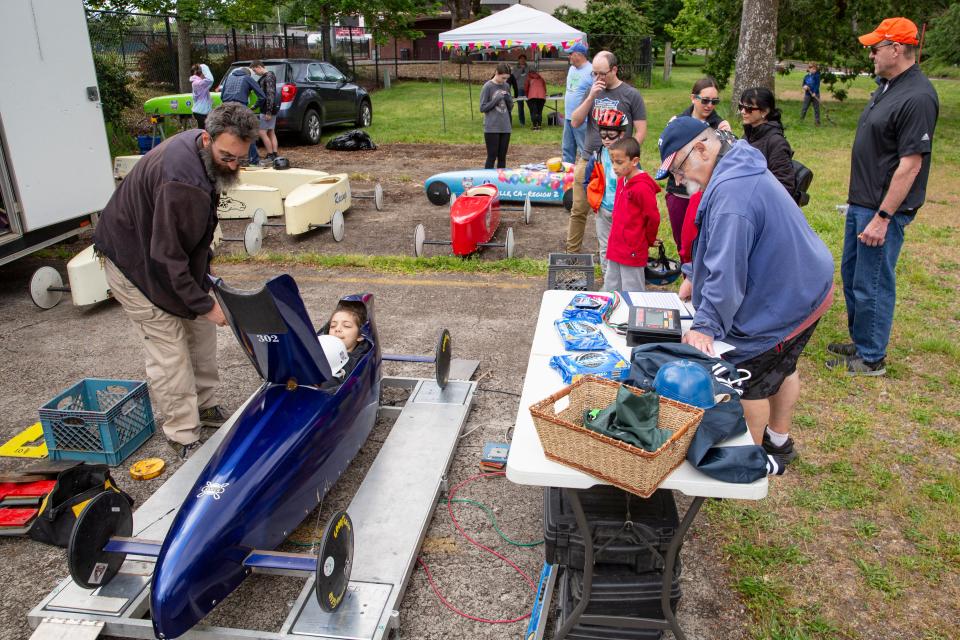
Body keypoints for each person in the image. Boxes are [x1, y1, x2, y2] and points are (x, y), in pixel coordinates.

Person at [656, 116, 834, 466]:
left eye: (679, 169)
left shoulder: (732, 194)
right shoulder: (735, 163)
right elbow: (718, 242)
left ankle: (748, 463)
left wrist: (705, 326)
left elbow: (728, 271)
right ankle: (778, 442)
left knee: (749, 377)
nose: (680, 181)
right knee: (782, 367)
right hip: (806, 284)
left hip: (790, 297)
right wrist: (693, 272)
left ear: (703, 148)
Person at [92, 103, 259, 459]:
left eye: (241, 158)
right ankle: (183, 433)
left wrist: (203, 293)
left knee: (201, 332)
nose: (233, 166)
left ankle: (206, 404)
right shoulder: (183, 182)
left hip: (163, 254)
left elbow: (184, 244)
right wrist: (202, 303)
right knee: (170, 349)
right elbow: (166, 257)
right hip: (134, 264)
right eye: (227, 157)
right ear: (207, 138)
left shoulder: (200, 152)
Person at [827, 17, 939, 376]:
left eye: (876, 48)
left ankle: (871, 357)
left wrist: (884, 216)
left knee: (872, 282)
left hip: (881, 210)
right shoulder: (889, 85)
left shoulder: (918, 96)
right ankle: (861, 341)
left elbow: (909, 166)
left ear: (897, 48)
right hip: (863, 202)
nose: (870, 54)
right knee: (853, 274)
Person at [567, 50, 647, 254]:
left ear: (614, 70)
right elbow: (575, 122)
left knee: (617, 212)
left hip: (618, 164)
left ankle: (616, 254)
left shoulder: (631, 95)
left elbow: (641, 130)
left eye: (602, 74)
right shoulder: (592, 91)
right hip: (590, 159)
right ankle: (572, 255)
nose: (598, 78)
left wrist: (627, 159)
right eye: (594, 73)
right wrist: (591, 96)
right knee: (578, 210)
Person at [664, 77, 731, 250]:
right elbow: (667, 154)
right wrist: (677, 171)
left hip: (707, 195)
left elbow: (724, 161)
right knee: (682, 243)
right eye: (705, 100)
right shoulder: (676, 122)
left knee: (705, 243)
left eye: (714, 101)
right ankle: (687, 275)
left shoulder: (721, 126)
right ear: (693, 98)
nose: (710, 105)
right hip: (679, 193)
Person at [603, 137, 661, 292]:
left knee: (632, 289)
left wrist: (649, 239)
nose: (614, 167)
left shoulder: (642, 187)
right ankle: (611, 314)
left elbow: (653, 217)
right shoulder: (622, 179)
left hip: (633, 249)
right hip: (616, 245)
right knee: (611, 285)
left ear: (634, 161)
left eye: (619, 162)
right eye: (612, 161)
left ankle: (633, 316)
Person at [583, 108, 628, 274]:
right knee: (605, 247)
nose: (606, 139)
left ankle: (623, 278)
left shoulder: (629, 158)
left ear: (621, 134)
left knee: (623, 245)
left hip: (623, 211)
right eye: (603, 135)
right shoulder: (597, 157)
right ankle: (609, 282)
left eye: (611, 135)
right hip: (603, 210)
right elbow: (587, 181)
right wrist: (594, 201)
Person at [739, 87, 796, 196]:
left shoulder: (776, 143)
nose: (742, 111)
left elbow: (785, 186)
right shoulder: (748, 134)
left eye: (748, 108)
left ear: (765, 111)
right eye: (741, 106)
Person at [220, 66, 265, 166]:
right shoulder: (247, 78)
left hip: (226, 108)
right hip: (240, 108)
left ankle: (230, 160)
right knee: (248, 133)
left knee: (230, 134)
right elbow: (262, 96)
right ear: (248, 74)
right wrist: (255, 106)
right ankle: (254, 161)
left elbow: (222, 96)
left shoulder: (228, 78)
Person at [562, 43, 592, 164]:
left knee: (584, 150)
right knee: (567, 149)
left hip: (582, 119)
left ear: (579, 55)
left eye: (571, 54)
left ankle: (587, 177)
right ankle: (567, 178)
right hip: (568, 117)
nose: (569, 57)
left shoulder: (591, 71)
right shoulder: (571, 69)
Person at [479, 64, 514, 169]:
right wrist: (496, 99)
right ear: (496, 73)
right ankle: (488, 180)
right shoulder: (488, 86)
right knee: (492, 156)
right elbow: (482, 108)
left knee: (502, 157)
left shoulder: (506, 86)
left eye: (507, 79)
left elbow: (510, 107)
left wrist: (508, 99)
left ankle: (501, 182)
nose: (504, 81)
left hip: (505, 126)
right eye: (503, 78)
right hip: (492, 127)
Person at [251, 61, 280, 164]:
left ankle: (270, 154)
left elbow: (270, 94)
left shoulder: (268, 77)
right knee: (271, 131)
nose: (255, 73)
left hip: (267, 108)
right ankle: (275, 154)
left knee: (262, 132)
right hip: (270, 107)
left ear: (259, 67)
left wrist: (268, 111)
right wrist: (255, 106)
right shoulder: (266, 77)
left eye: (255, 70)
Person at [189, 63, 214, 129]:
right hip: (201, 112)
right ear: (201, 73)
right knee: (204, 132)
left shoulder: (198, 82)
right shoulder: (197, 83)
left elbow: (209, 83)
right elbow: (210, 80)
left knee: (203, 131)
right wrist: (205, 67)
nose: (205, 74)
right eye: (204, 72)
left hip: (201, 111)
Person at [511, 54, 529, 127]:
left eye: (524, 59)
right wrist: (521, 69)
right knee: (520, 106)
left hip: (527, 88)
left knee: (531, 104)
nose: (522, 60)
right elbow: (514, 77)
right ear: (519, 60)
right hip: (519, 89)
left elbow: (530, 76)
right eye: (521, 59)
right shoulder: (515, 68)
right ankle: (522, 122)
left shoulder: (528, 67)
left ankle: (534, 120)